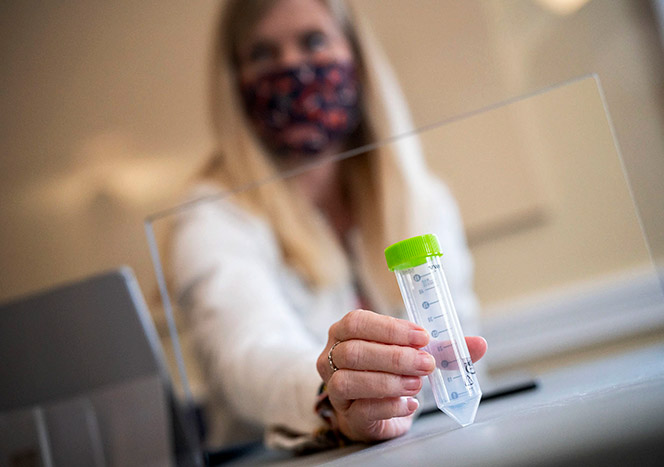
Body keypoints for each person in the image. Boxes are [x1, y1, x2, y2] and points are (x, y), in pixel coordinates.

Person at [169, 0, 487, 452]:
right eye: (262, 53)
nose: (292, 67)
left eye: (313, 41)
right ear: (235, 82)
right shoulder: (212, 217)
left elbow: (465, 347)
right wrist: (332, 396)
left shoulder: (423, 198)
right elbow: (248, 357)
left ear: (354, 55)